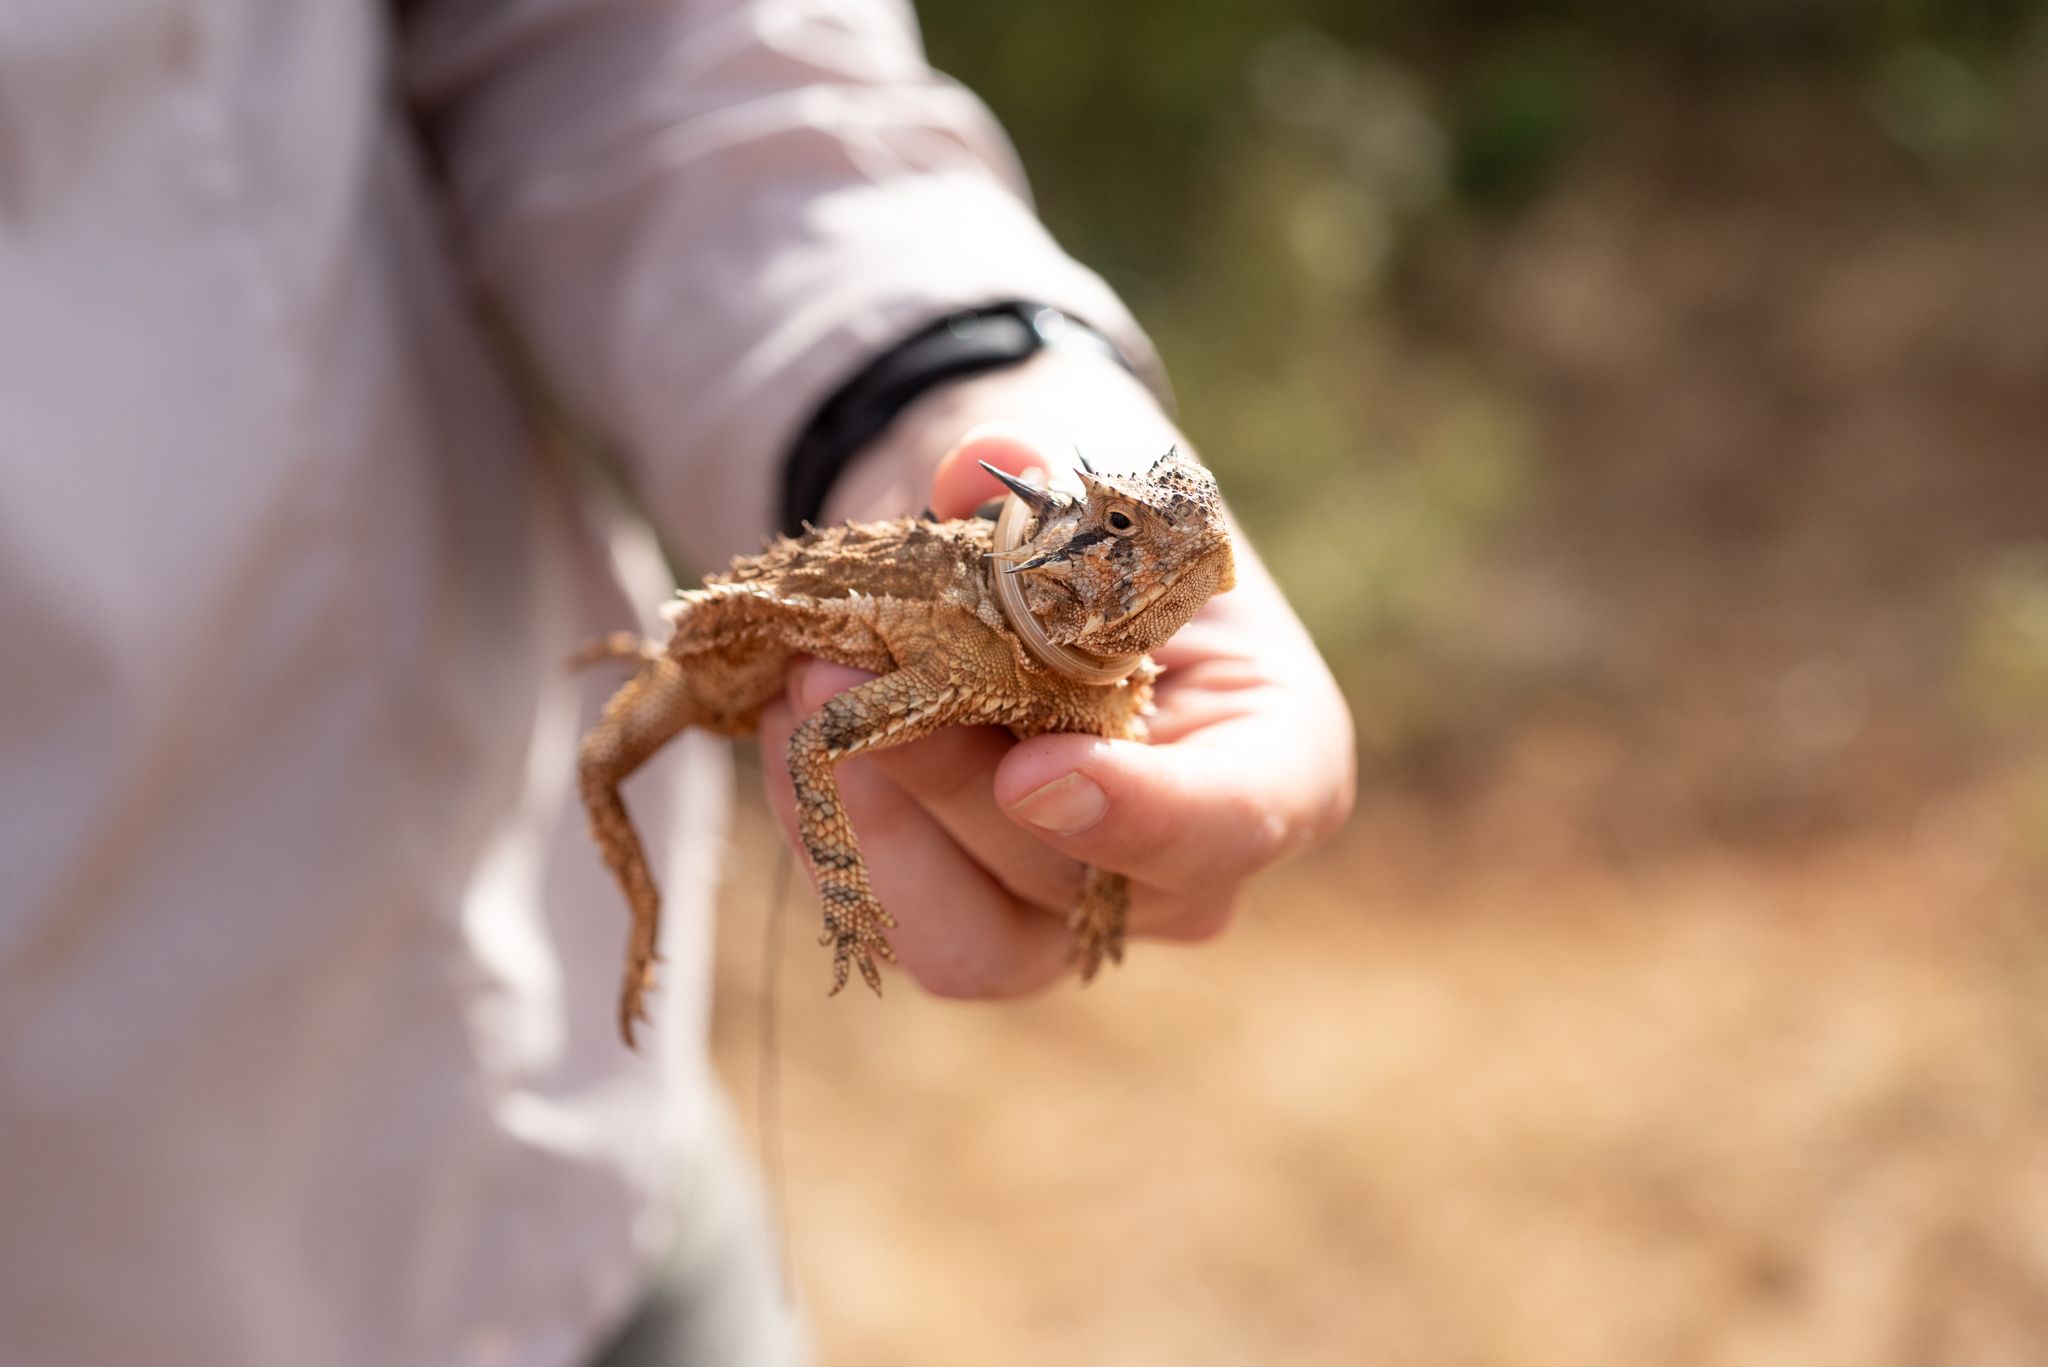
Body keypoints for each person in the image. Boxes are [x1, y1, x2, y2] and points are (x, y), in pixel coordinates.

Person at [0, 1, 1355, 1364]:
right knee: (621, 756)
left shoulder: (1050, 615)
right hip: (111, 1237)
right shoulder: (948, 644)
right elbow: (825, 749)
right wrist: (841, 909)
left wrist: (927, 378)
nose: (1163, 561)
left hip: (535, 1144)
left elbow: (619, 40)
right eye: (1125, 540)